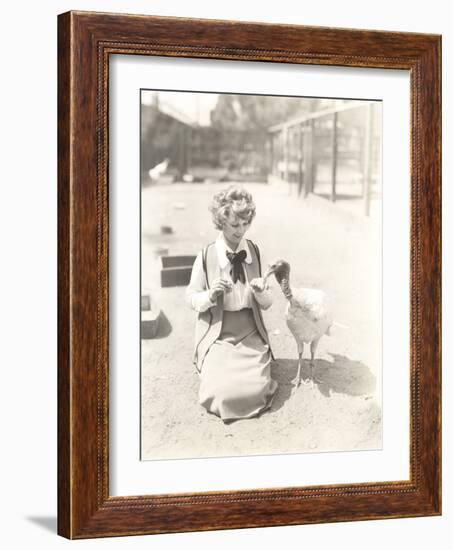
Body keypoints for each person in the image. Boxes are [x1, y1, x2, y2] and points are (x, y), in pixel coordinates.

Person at [186, 186, 278, 422]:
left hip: (250, 330)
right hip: (218, 331)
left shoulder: (255, 251)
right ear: (221, 221)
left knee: (254, 389)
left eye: (246, 224)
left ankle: (253, 374)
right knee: (222, 393)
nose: (241, 230)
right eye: (235, 225)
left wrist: (259, 292)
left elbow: (268, 303)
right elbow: (191, 297)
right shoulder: (206, 255)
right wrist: (210, 296)